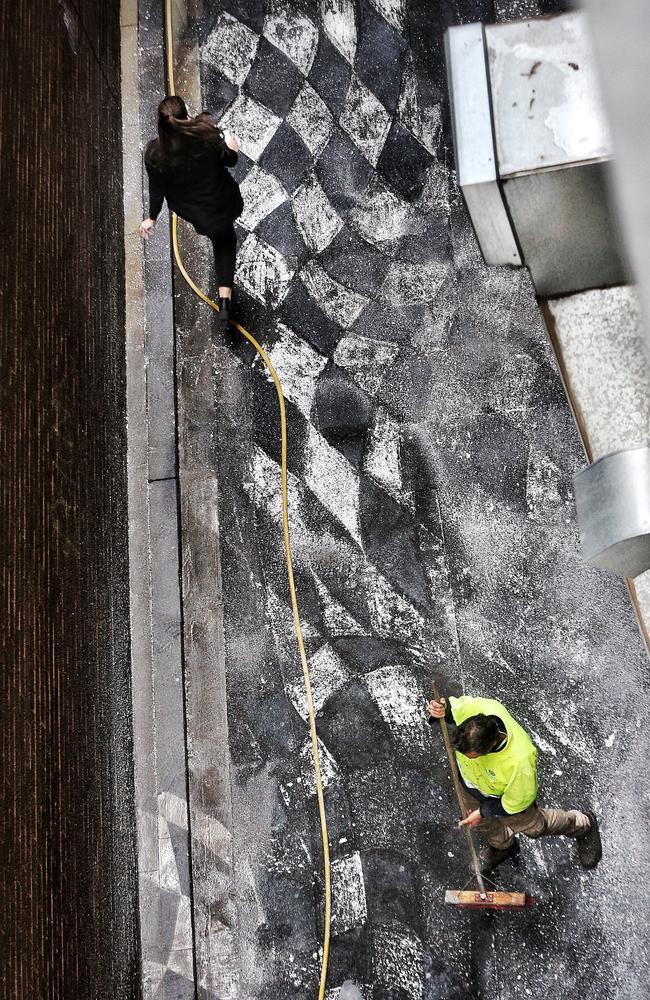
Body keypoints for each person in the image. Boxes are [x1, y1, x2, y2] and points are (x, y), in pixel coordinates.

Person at [427, 693, 602, 875]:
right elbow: (452, 708)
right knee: (478, 822)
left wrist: (483, 811)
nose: (462, 755)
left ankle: (582, 825)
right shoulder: (476, 710)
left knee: (535, 827)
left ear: (489, 748)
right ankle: (502, 846)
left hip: (506, 798)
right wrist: (441, 710)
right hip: (471, 784)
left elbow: (516, 801)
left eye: (469, 755)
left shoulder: (521, 760)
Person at [139, 95, 243, 324]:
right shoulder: (207, 135)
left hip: (196, 214)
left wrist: (152, 218)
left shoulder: (154, 154)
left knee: (219, 237)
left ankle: (225, 301)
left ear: (160, 124)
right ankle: (224, 300)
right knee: (225, 240)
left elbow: (157, 190)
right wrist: (232, 146)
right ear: (186, 116)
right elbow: (230, 160)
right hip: (223, 202)